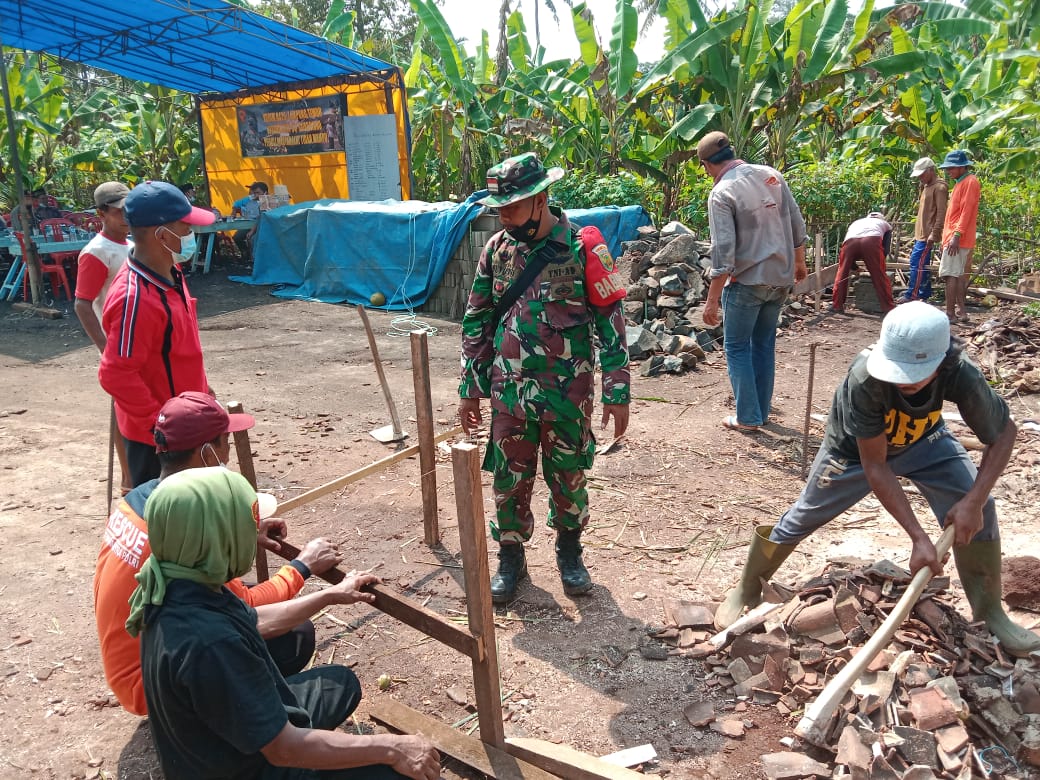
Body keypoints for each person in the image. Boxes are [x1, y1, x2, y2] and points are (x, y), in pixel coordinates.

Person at [713, 302, 1039, 657]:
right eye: (898, 370)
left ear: (942, 361)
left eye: (916, 373)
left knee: (982, 508)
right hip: (852, 453)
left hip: (926, 440)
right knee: (804, 515)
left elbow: (1003, 433)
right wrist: (918, 537)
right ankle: (747, 587)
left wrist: (973, 501)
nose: (903, 380)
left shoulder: (961, 374)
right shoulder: (866, 379)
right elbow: (877, 466)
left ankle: (990, 612)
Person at [131, 466, 440, 780]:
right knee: (397, 773)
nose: (252, 536)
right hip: (249, 768)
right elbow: (284, 749)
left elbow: (254, 619)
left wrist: (331, 595)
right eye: (245, 527)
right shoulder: (211, 642)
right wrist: (391, 747)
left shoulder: (173, 582)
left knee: (340, 686)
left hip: (214, 750)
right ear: (219, 538)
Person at [94, 391, 344, 716]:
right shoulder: (182, 532)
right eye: (224, 441)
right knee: (295, 637)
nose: (227, 451)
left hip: (137, 661)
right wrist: (303, 566)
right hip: (149, 684)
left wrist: (245, 536)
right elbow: (245, 610)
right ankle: (230, 712)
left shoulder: (140, 501)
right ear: (208, 453)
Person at [458, 152, 630, 605]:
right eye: (499, 209)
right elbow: (476, 319)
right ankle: (511, 559)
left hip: (567, 398)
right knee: (508, 481)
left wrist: (617, 389)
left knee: (569, 477)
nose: (505, 217)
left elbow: (611, 319)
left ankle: (570, 553)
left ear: (541, 198)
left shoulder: (583, 247)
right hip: (508, 396)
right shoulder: (496, 250)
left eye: (512, 206)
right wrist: (469, 389)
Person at [98, 180, 216, 487]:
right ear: (163, 235)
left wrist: (205, 396)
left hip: (188, 425)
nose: (192, 235)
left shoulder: (171, 273)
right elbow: (115, 374)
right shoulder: (134, 299)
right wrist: (161, 429)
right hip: (159, 443)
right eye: (186, 228)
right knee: (167, 524)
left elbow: (180, 350)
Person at [697, 131, 808, 432]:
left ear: (707, 165)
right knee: (763, 344)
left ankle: (746, 417)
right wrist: (799, 262)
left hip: (747, 282)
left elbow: (723, 252)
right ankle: (761, 412)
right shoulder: (771, 175)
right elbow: (797, 223)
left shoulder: (722, 193)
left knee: (736, 347)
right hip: (779, 278)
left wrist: (711, 301)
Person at [74, 181, 134, 492]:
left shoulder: (132, 245)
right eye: (119, 211)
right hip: (117, 344)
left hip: (137, 340)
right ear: (102, 213)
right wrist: (105, 347)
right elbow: (82, 303)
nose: (126, 215)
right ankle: (128, 477)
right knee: (123, 410)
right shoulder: (96, 252)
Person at [937, 150, 980, 324]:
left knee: (950, 275)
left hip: (958, 237)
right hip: (955, 236)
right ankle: (961, 312)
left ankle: (950, 314)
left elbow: (966, 211)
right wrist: (947, 237)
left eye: (951, 168)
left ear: (962, 166)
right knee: (958, 275)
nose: (948, 171)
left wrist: (956, 235)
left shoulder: (970, 182)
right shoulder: (961, 183)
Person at [901, 157, 948, 303]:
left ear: (930, 170)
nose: (920, 177)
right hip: (921, 234)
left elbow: (941, 213)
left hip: (928, 234)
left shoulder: (940, 187)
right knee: (920, 264)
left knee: (917, 263)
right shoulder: (926, 186)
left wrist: (934, 233)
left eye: (922, 174)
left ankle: (912, 295)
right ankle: (923, 293)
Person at [831, 211, 896, 315]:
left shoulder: (856, 222)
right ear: (881, 219)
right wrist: (876, 265)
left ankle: (837, 305)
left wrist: (855, 267)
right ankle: (889, 308)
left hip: (850, 243)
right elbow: (885, 249)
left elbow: (848, 256)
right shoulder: (886, 225)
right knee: (880, 276)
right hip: (871, 241)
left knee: (842, 273)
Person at [232, 181, 267, 261]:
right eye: (254, 192)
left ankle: (255, 259)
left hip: (262, 227)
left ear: (265, 192)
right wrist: (233, 213)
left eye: (257, 192)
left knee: (252, 238)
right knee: (237, 237)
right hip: (250, 224)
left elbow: (261, 218)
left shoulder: (268, 201)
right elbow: (236, 204)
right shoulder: (249, 199)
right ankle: (246, 254)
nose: (255, 195)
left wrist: (252, 231)